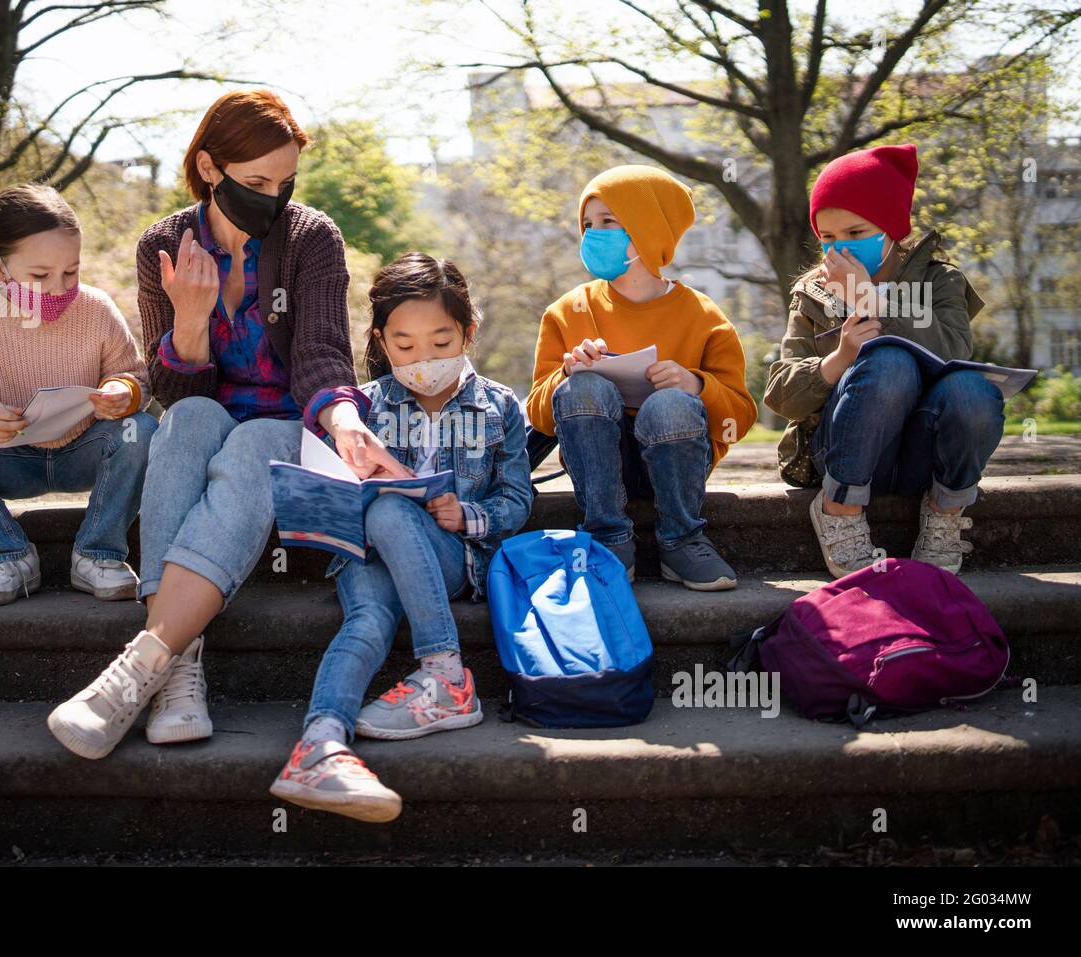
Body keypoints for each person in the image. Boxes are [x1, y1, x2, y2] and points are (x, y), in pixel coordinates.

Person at [47, 89, 406, 759]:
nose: (275, 196)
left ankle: (146, 662)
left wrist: (347, 418)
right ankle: (178, 668)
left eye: (286, 180)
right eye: (256, 181)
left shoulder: (310, 237)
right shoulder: (163, 243)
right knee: (184, 423)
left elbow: (323, 353)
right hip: (203, 417)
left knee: (249, 441)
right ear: (210, 168)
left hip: (289, 426)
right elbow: (176, 389)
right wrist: (189, 318)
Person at [269, 253, 532, 822]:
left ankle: (445, 674)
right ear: (383, 342)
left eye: (441, 341)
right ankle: (322, 742)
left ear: (467, 332)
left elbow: (517, 500)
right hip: (368, 556)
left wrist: (467, 516)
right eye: (405, 345)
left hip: (451, 558)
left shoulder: (499, 406)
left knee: (391, 513)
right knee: (367, 616)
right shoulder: (365, 406)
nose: (424, 359)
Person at [0, 183, 155, 607]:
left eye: (71, 272)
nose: (59, 287)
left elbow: (134, 376)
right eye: (39, 276)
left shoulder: (96, 309)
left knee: (143, 430)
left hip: (86, 449)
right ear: (0, 268)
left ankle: (99, 554)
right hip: (7, 457)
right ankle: (7, 557)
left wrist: (124, 392)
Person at [764, 143, 1002, 577]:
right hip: (843, 451)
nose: (843, 249)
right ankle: (839, 510)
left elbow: (953, 350)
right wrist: (839, 359)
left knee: (973, 390)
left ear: (891, 228)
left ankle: (944, 512)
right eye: (829, 238)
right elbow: (781, 395)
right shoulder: (813, 293)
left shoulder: (941, 280)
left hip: (919, 452)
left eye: (856, 233)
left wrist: (871, 301)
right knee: (888, 363)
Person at [526, 165, 756, 590]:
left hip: (678, 461)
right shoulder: (565, 311)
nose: (594, 234)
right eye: (588, 225)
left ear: (648, 230)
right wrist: (567, 375)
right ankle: (607, 538)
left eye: (608, 222)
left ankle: (683, 539)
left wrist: (698, 386)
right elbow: (540, 419)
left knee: (671, 404)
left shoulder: (703, 315)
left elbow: (737, 420)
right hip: (598, 461)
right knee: (585, 387)